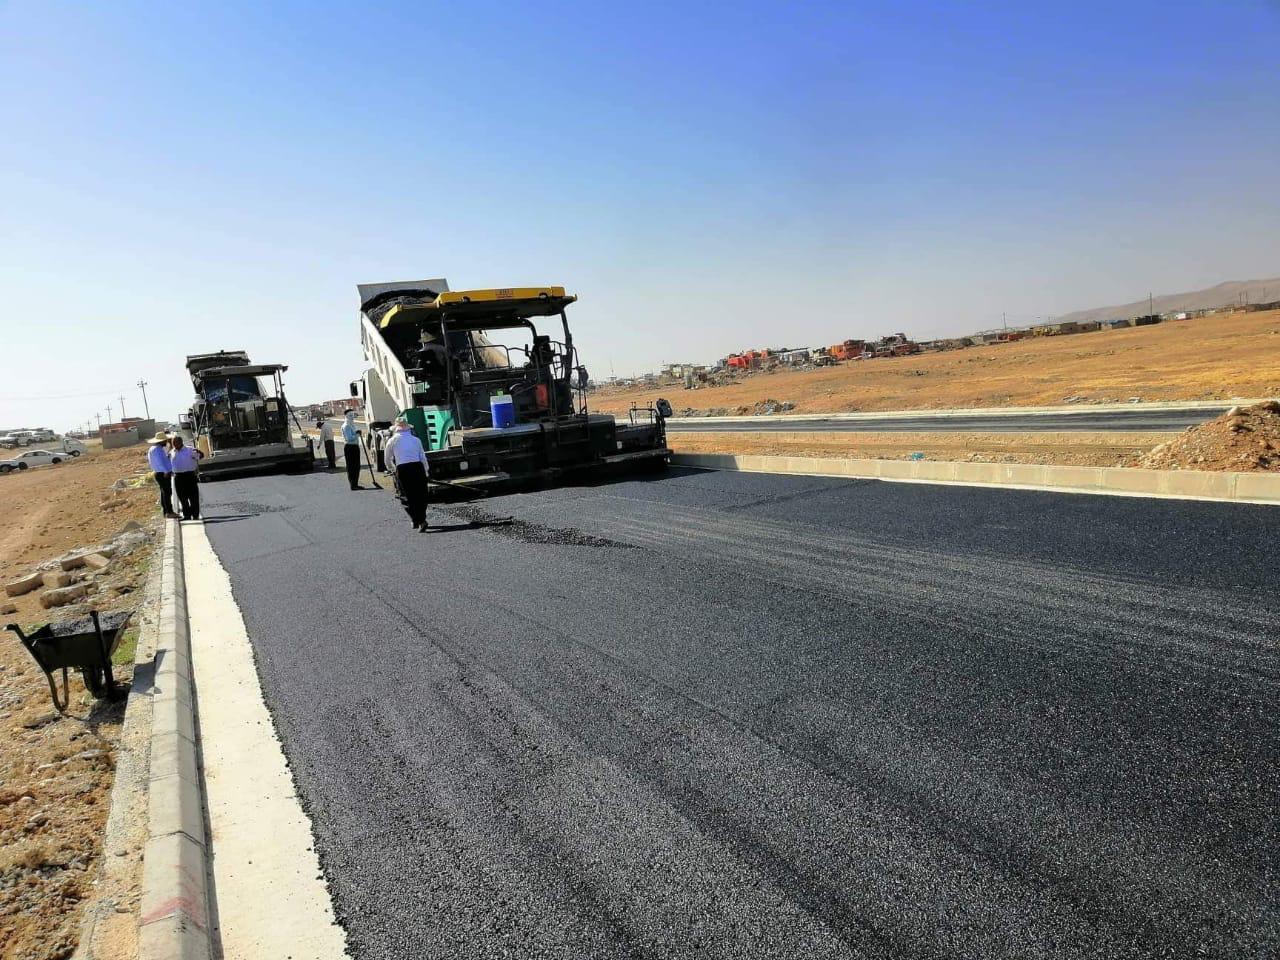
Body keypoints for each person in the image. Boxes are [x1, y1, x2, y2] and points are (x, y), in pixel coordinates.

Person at [384, 417, 431, 530]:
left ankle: (416, 519)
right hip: (417, 467)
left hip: (402, 468)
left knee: (406, 496)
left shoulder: (392, 441)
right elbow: (422, 457)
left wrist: (392, 468)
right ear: (408, 428)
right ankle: (421, 519)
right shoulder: (416, 440)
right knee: (420, 494)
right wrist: (426, 470)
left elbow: (387, 459)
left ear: (396, 429)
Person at [169, 435, 202, 521]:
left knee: (193, 497)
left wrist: (198, 452)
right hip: (178, 477)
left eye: (175, 442)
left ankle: (195, 515)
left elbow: (200, 456)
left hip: (190, 475)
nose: (174, 444)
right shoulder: (172, 452)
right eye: (173, 443)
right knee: (182, 497)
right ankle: (187, 515)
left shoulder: (189, 450)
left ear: (181, 442)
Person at [146, 431, 177, 518]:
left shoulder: (154, 449)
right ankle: (169, 512)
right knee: (167, 493)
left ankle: (166, 512)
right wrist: (166, 471)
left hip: (160, 473)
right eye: (165, 440)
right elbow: (160, 462)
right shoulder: (157, 449)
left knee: (164, 492)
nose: (166, 442)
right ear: (161, 441)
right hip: (162, 474)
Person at [341, 409, 363, 490]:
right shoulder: (346, 425)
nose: (352, 417)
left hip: (355, 446)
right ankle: (353, 485)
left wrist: (357, 433)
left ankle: (355, 484)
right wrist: (357, 434)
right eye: (350, 415)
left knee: (357, 466)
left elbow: (354, 434)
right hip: (350, 447)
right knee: (351, 466)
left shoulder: (352, 425)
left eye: (352, 415)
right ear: (347, 416)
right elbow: (349, 438)